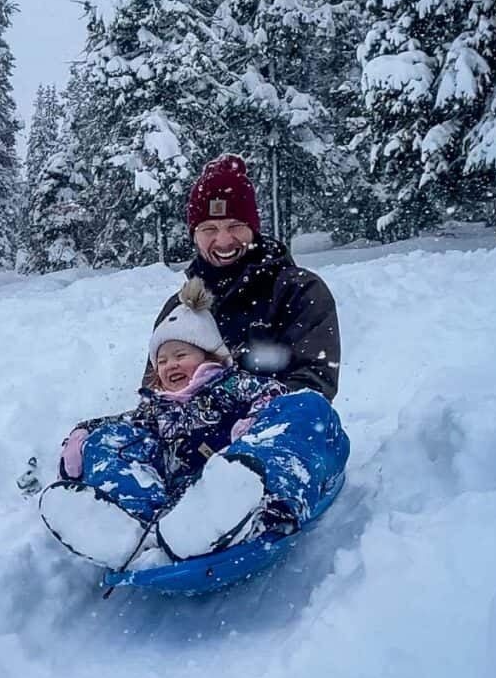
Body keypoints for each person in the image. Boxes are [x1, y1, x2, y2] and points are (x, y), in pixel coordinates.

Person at [38, 277, 349, 570]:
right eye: (161, 360)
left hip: (243, 484)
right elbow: (125, 423)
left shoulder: (231, 385)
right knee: (114, 438)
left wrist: (254, 422)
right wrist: (86, 433)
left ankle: (255, 512)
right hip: (183, 504)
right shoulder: (157, 407)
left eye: (180, 354)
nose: (170, 364)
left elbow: (273, 396)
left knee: (303, 408)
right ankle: (129, 523)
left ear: (208, 357)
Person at [145, 154, 341, 400]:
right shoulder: (180, 308)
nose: (224, 240)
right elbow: (156, 394)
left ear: (253, 229)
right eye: (209, 229)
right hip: (197, 434)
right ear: (194, 236)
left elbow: (313, 387)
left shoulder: (298, 291)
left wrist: (241, 419)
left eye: (235, 226)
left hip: (278, 430)